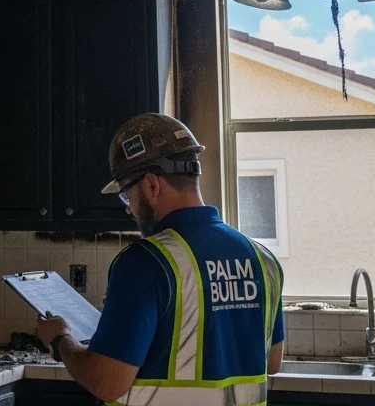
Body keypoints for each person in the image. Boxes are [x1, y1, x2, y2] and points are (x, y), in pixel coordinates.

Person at [36, 113, 284, 405]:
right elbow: (272, 362)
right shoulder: (263, 259)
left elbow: (106, 382)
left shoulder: (145, 263)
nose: (129, 209)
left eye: (127, 196)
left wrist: (60, 339)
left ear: (152, 185)